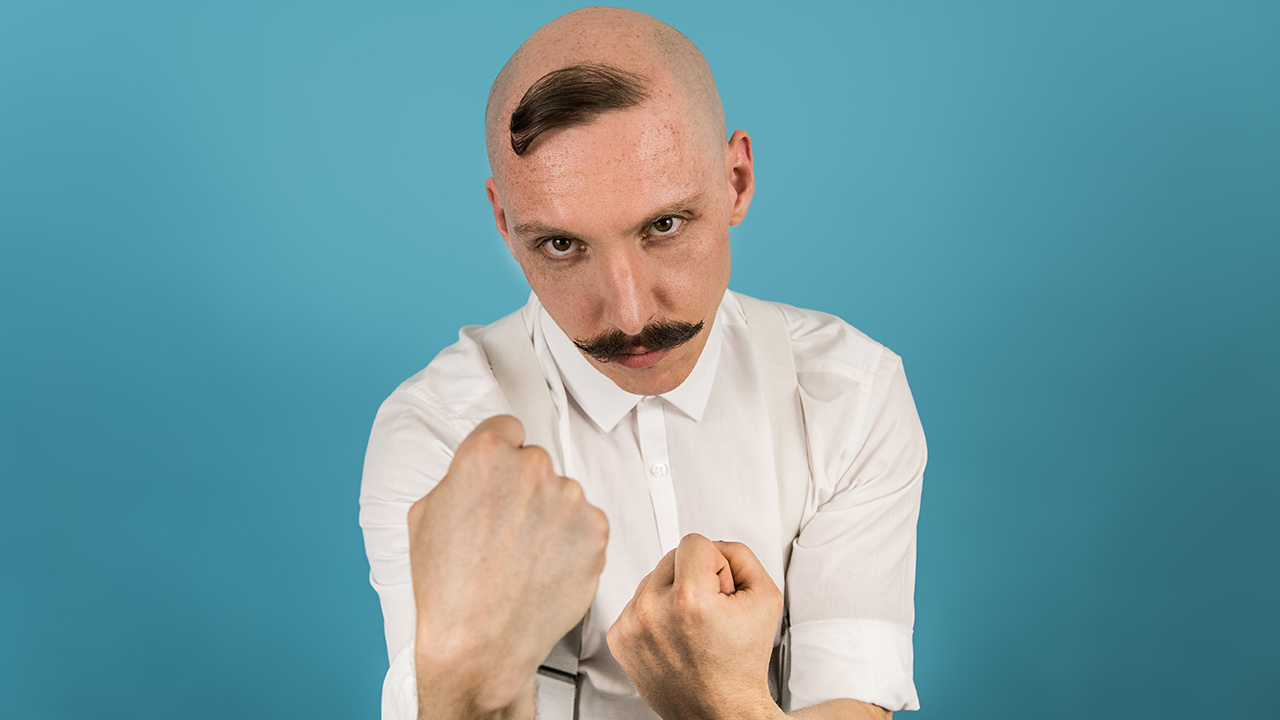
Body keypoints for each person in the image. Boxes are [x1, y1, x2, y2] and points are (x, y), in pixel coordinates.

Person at [359, 7, 926, 720]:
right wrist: (460, 670)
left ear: (737, 181)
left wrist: (718, 703)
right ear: (505, 224)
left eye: (664, 226)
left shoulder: (849, 394)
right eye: (562, 246)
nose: (628, 317)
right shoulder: (439, 435)